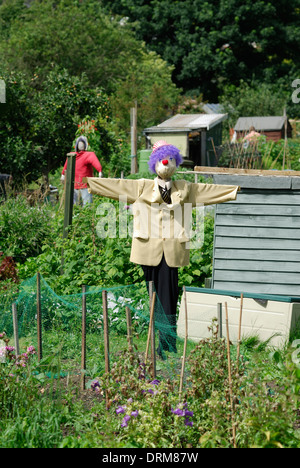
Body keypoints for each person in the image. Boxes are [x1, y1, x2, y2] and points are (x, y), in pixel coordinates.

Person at [86, 141, 239, 358]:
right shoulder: (142, 187)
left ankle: (167, 344)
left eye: (170, 161)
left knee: (168, 298)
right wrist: (90, 182)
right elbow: (117, 186)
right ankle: (159, 340)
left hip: (172, 252)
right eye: (162, 161)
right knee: (153, 297)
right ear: (155, 164)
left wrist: (232, 190)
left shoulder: (184, 189)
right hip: (147, 251)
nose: (166, 164)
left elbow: (207, 190)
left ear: (175, 163)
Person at [61, 136, 103, 205]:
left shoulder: (72, 155)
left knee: (75, 207)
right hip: (85, 184)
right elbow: (97, 164)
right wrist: (100, 171)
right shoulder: (88, 155)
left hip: (74, 184)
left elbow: (66, 167)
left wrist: (62, 175)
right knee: (87, 207)